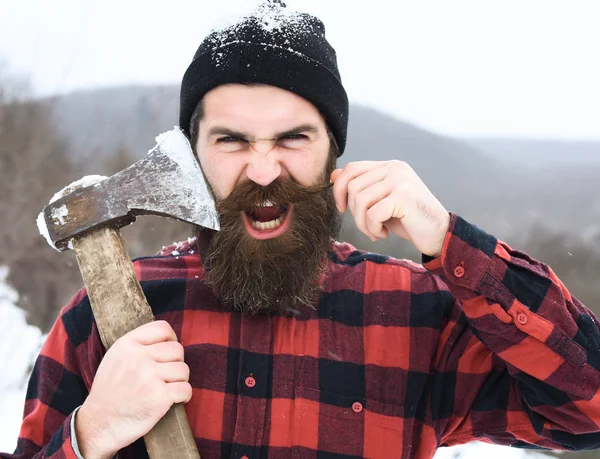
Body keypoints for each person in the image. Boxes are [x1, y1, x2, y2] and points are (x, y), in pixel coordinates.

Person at [4, 2, 600, 459]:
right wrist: (90, 434)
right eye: (232, 140)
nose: (263, 171)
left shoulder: (416, 315)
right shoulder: (105, 320)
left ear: (332, 154)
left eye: (293, 139)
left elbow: (588, 407)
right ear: (192, 157)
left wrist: (449, 239)